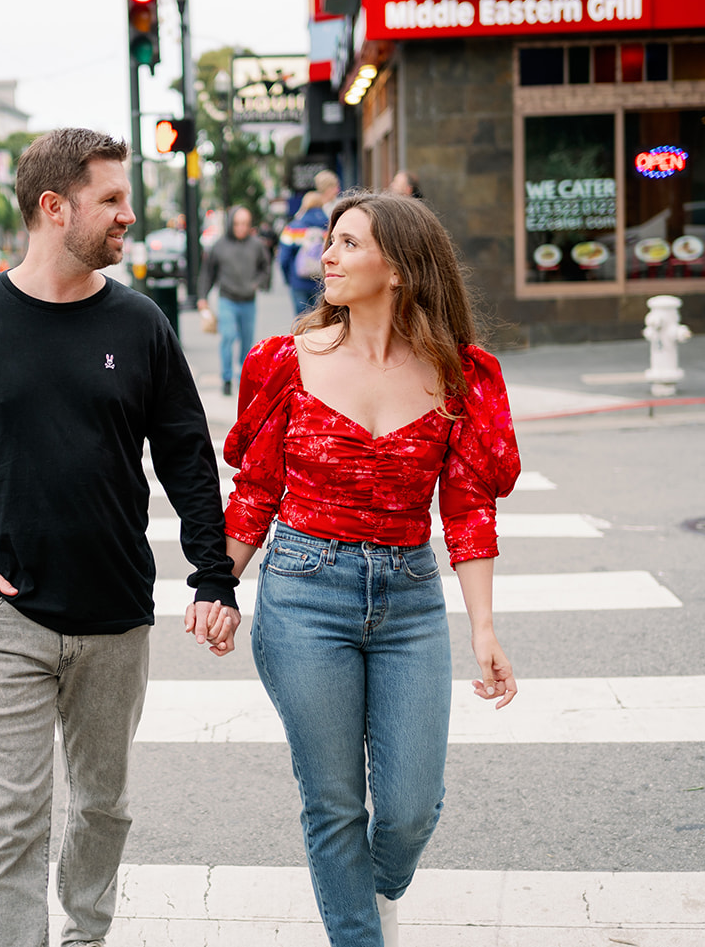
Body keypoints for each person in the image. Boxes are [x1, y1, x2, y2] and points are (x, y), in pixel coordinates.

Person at [0, 127, 242, 947]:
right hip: (1, 618)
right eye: (112, 199)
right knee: (11, 821)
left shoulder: (142, 323)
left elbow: (187, 457)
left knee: (102, 807)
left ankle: (87, 934)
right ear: (56, 207)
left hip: (115, 613)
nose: (129, 215)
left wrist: (212, 576)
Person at [193, 190, 520, 947]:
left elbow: (468, 509)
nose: (324, 258)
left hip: (408, 595)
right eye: (327, 244)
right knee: (334, 802)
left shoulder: (458, 374)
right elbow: (257, 489)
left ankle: (373, 891)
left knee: (410, 805)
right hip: (305, 593)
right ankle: (359, 932)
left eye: (345, 244)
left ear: (399, 268)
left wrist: (484, 628)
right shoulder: (286, 362)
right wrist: (220, 583)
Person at [196, 205, 274, 397]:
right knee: (228, 336)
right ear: (231, 223)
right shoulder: (219, 245)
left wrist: (259, 283)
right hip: (227, 299)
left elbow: (266, 267)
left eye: (245, 224)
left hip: (248, 300)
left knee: (247, 342)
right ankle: (227, 378)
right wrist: (202, 297)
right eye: (238, 223)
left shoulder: (256, 245)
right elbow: (208, 273)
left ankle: (243, 378)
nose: (241, 228)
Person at [279, 170, 340, 315]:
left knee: (301, 322)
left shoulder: (296, 224)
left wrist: (289, 278)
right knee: (322, 321)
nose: (337, 190)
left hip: (299, 280)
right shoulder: (331, 220)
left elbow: (284, 256)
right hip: (322, 280)